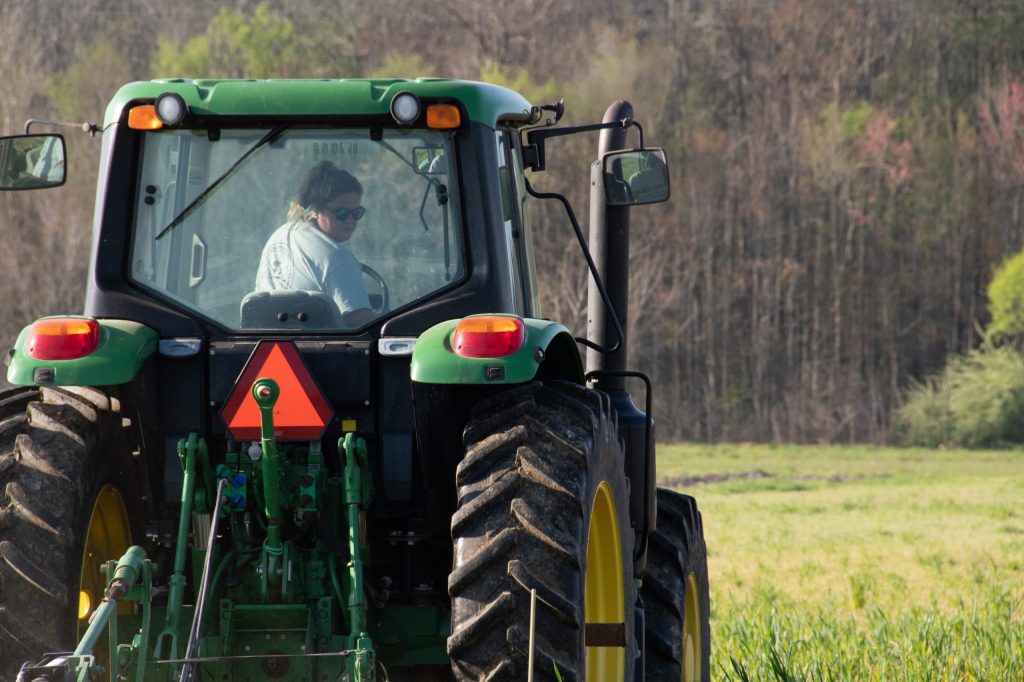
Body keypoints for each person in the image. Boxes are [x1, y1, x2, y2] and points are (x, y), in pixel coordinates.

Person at [255, 161, 374, 325]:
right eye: (341, 212)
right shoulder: (337, 259)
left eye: (356, 212)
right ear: (316, 210)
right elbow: (362, 323)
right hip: (314, 348)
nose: (350, 220)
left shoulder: (280, 235)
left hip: (262, 337)